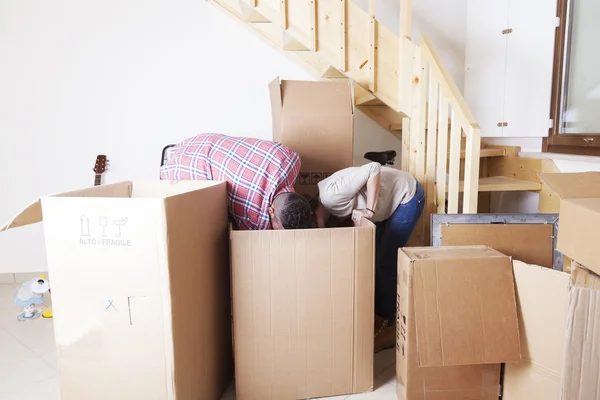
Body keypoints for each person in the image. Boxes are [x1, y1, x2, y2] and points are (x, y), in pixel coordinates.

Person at [313, 162, 424, 352]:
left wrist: (370, 210)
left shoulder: (331, 196)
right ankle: (379, 316)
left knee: (384, 263)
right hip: (388, 201)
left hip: (407, 196)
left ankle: (387, 325)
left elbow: (374, 168)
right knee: (373, 259)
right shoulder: (327, 210)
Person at [160, 133, 312, 230]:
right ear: (271, 211)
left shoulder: (291, 159)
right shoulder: (255, 219)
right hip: (181, 169)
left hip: (197, 142)